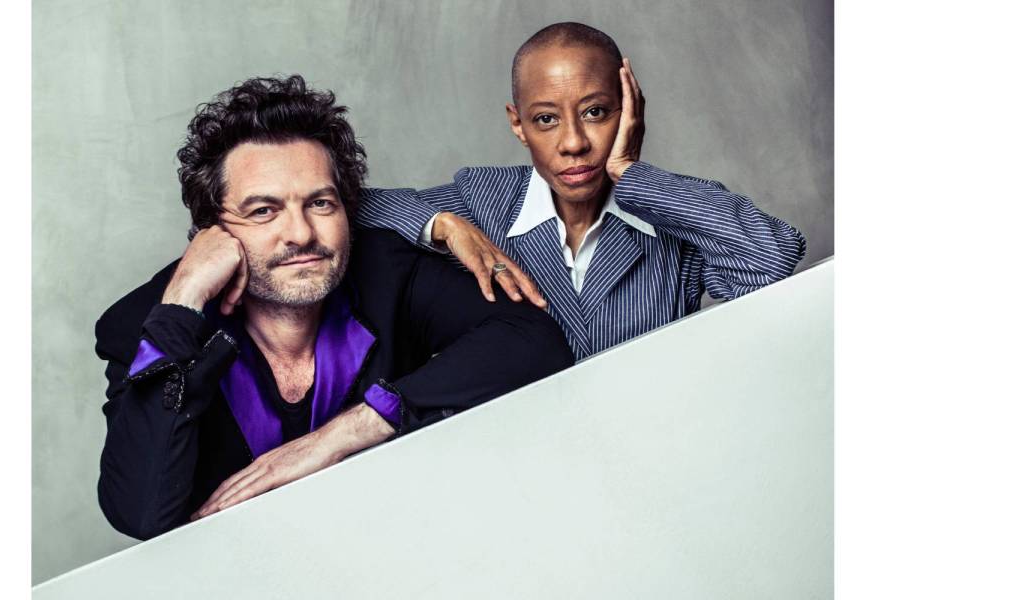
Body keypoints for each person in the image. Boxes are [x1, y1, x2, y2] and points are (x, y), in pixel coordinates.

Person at [94, 75, 573, 541]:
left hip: (398, 545)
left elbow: (533, 339)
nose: (301, 234)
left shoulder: (386, 271)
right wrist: (182, 302)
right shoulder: (146, 323)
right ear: (213, 232)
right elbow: (140, 513)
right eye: (263, 211)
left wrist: (348, 431)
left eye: (320, 204)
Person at [356, 22, 807, 360]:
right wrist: (444, 225)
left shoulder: (672, 219)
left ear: (628, 110)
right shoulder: (480, 199)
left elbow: (770, 261)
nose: (573, 142)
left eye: (595, 112)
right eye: (546, 119)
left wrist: (630, 172)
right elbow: (345, 210)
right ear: (518, 124)